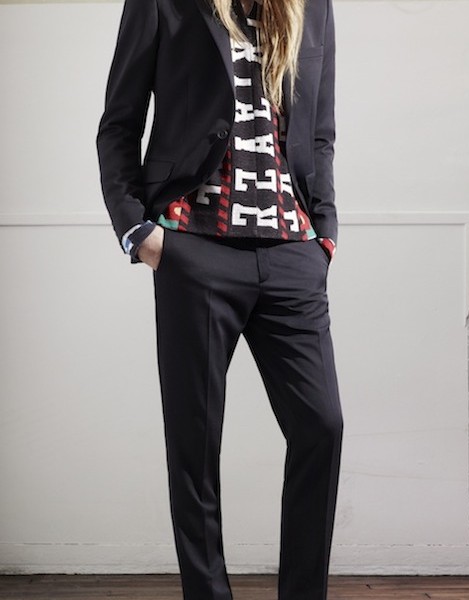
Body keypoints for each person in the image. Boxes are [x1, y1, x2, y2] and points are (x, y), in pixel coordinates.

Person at [96, 0, 342, 597]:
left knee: (321, 426)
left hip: (292, 249)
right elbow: (119, 123)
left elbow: (320, 130)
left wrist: (324, 232)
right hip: (195, 246)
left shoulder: (312, 6)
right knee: (195, 445)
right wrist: (138, 230)